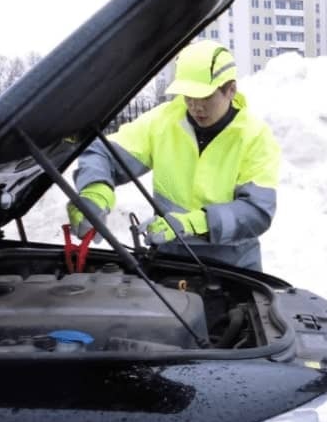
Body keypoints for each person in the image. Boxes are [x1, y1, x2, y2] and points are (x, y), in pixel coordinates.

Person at [67, 40, 280, 270]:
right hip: (170, 258)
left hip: (233, 264)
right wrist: (94, 192)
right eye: (188, 96)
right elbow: (103, 153)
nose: (196, 106)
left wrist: (191, 223)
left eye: (205, 96)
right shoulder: (164, 121)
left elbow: (256, 211)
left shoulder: (255, 136)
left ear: (230, 90)